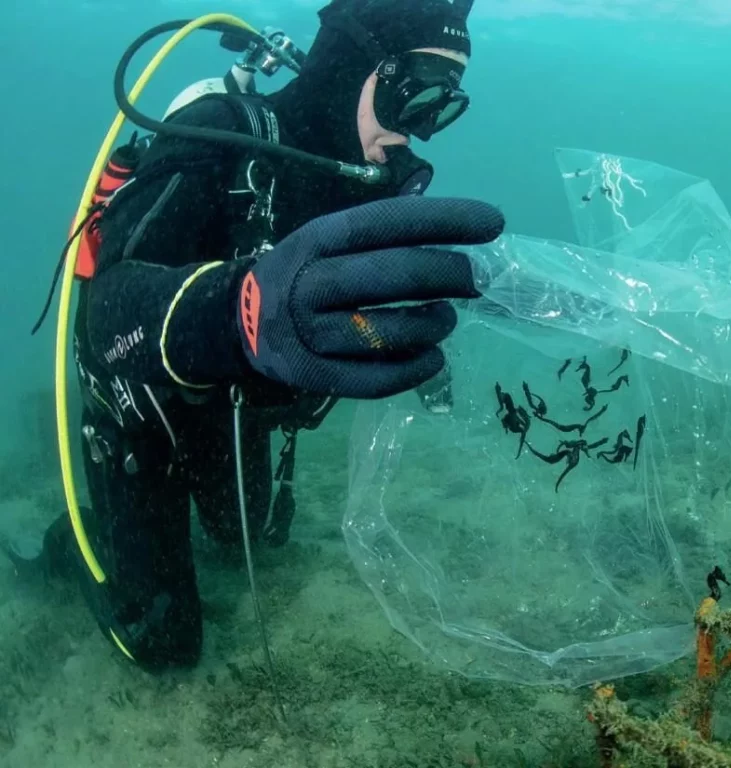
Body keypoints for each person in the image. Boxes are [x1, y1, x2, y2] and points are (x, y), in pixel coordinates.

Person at [12, 0, 505, 671]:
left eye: (441, 105)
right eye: (413, 91)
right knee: (161, 641)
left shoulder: (366, 184)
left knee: (250, 535)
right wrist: (241, 307)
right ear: (351, 64)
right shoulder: (219, 135)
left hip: (226, 402)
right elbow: (109, 314)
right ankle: (75, 539)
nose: (419, 128)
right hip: (140, 402)